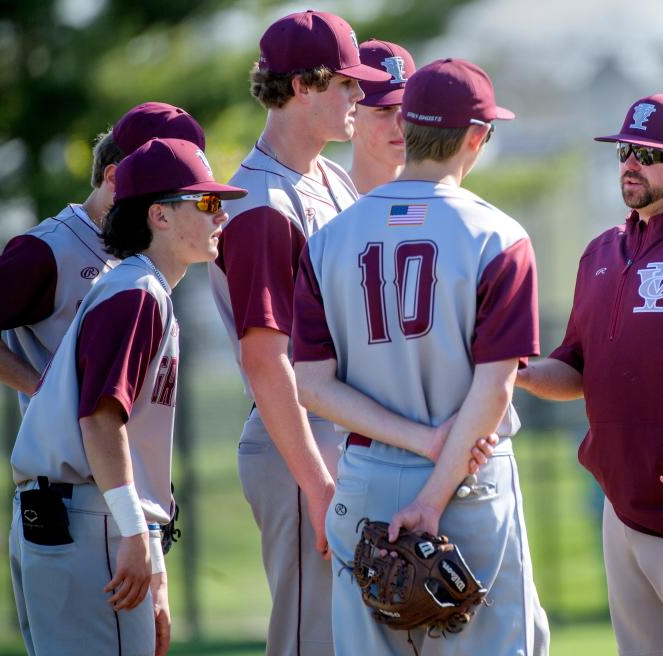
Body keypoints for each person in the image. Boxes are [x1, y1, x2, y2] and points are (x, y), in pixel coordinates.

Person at [292, 57, 550, 655]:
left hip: (366, 485)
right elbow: (495, 389)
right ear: (477, 136)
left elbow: (311, 385)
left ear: (405, 127)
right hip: (466, 483)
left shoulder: (329, 239)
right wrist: (434, 489)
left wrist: (417, 440)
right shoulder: (499, 236)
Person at [9, 137, 246, 656]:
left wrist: (153, 558)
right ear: (159, 216)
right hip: (87, 520)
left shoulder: (139, 287)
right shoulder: (137, 293)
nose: (221, 215)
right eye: (205, 202)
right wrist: (135, 534)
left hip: (74, 516)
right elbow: (99, 420)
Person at [515, 93, 663, 654]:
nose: (631, 163)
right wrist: (516, 370)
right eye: (625, 151)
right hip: (621, 504)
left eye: (650, 153)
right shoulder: (601, 251)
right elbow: (574, 367)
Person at [207, 10, 391, 655]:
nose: (359, 97)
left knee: (352, 636)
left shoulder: (329, 180)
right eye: (346, 83)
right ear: (306, 85)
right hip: (297, 440)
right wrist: (317, 482)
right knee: (310, 640)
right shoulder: (261, 205)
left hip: (335, 426)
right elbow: (265, 359)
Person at [0, 102, 205, 414]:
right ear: (115, 178)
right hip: (67, 457)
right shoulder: (48, 249)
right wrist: (46, 392)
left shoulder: (153, 251)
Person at [348, 39, 416, 193]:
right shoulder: (328, 207)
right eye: (385, 108)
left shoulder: (434, 202)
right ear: (350, 114)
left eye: (408, 108)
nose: (401, 122)